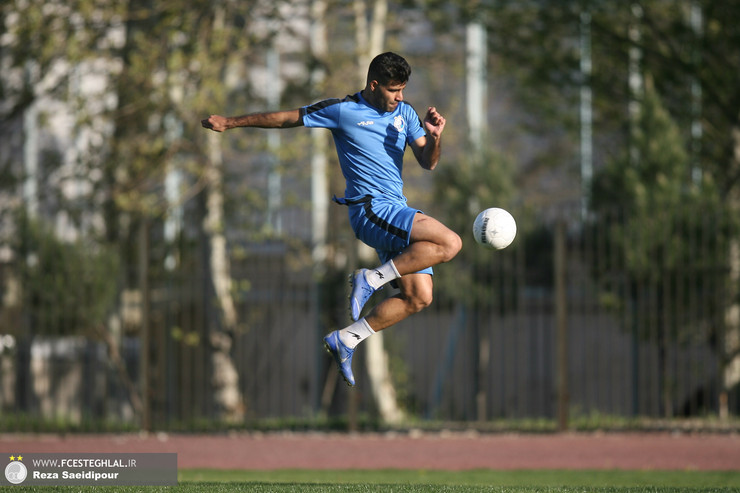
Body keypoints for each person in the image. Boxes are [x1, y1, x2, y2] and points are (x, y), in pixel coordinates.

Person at [202, 52, 461, 386]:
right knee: (450, 242)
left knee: (419, 297)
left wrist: (436, 137)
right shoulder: (343, 111)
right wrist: (231, 122)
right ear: (374, 84)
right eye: (394, 90)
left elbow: (428, 162)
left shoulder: (406, 113)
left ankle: (347, 339)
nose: (400, 97)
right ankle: (371, 278)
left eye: (403, 90)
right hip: (371, 209)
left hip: (395, 210)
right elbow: (286, 118)